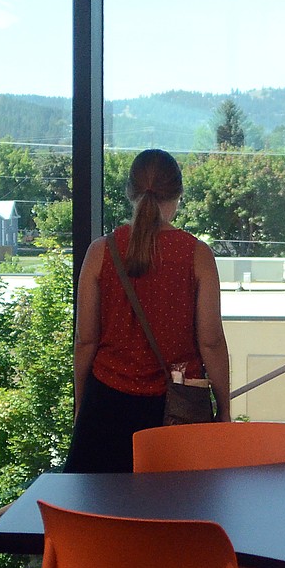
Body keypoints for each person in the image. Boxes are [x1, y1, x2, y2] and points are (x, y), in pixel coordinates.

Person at [65, 148, 232, 474]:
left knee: (98, 515)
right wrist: (223, 408)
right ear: (178, 196)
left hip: (106, 408)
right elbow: (210, 341)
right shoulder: (197, 255)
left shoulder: (100, 252)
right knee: (173, 516)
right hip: (174, 412)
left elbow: (86, 341)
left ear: (129, 192)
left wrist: (81, 404)